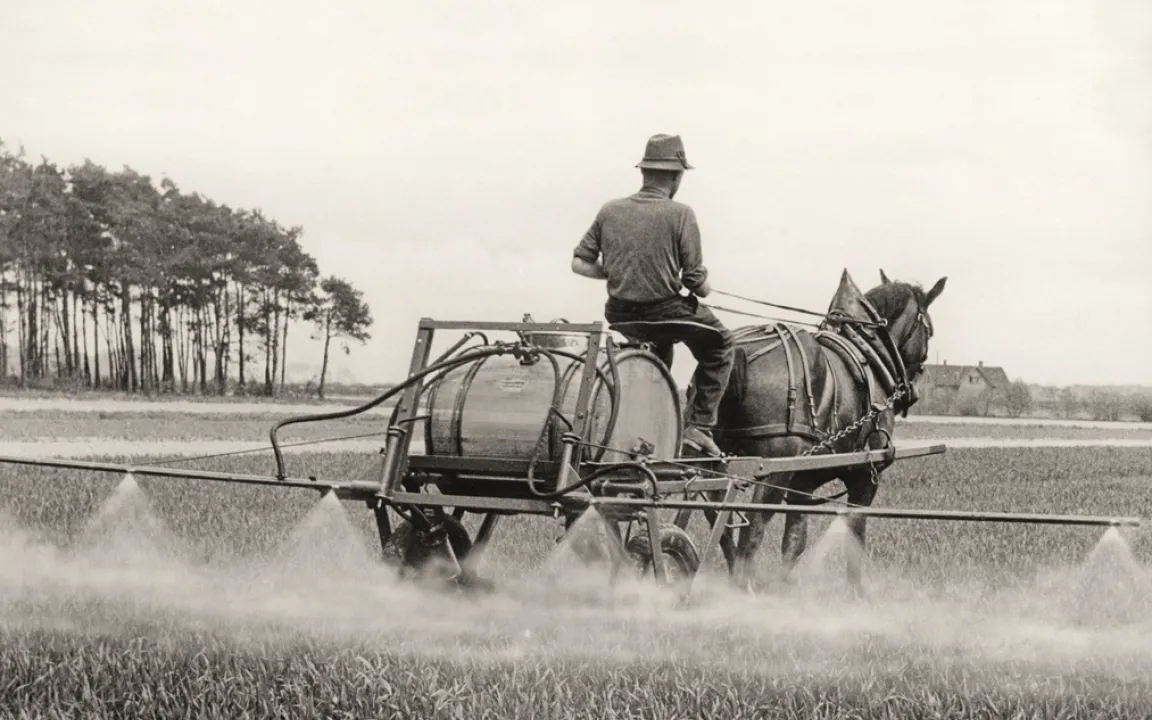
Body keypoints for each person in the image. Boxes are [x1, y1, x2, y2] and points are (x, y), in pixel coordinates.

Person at [570, 134, 734, 457]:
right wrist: (705, 287)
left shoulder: (610, 210)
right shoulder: (681, 214)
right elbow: (694, 279)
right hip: (666, 314)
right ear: (676, 176)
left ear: (644, 172)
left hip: (621, 315)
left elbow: (579, 262)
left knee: (661, 352)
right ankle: (699, 426)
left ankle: (646, 419)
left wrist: (616, 269)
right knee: (721, 344)